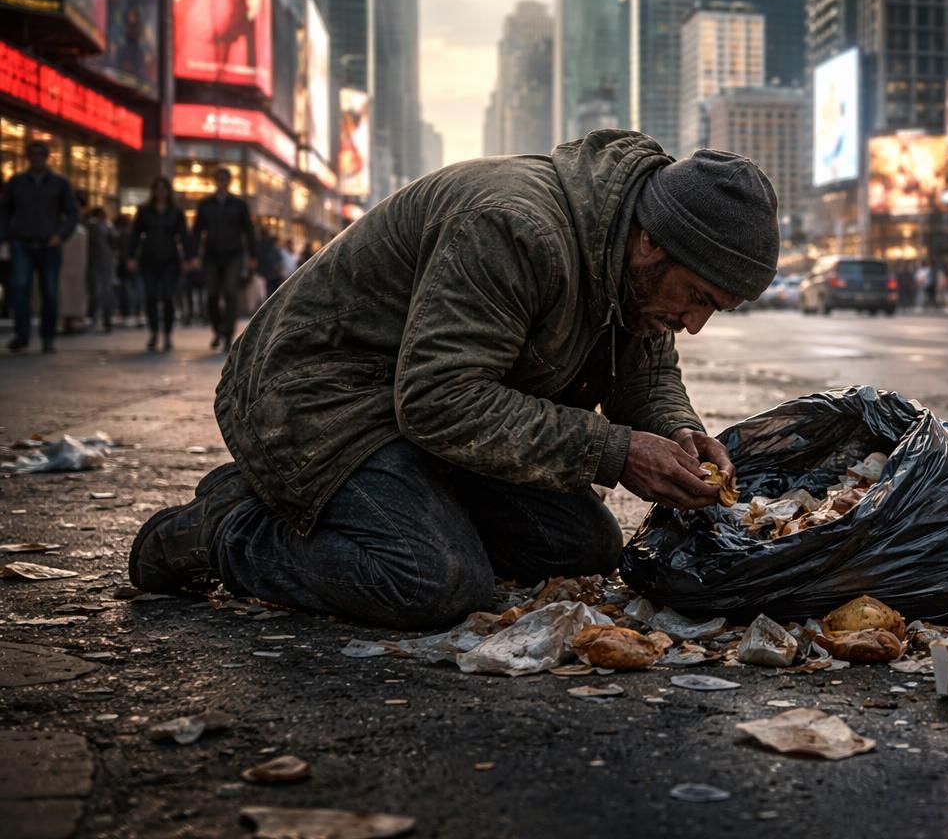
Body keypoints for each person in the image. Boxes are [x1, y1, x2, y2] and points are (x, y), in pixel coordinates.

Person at [129, 131, 780, 629]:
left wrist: (678, 431)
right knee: (430, 580)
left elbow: (648, 375)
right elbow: (440, 400)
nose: (693, 324)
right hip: (322, 397)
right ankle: (223, 529)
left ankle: (388, 506)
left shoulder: (632, 263)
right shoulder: (517, 229)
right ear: (651, 245)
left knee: (582, 544)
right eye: (695, 298)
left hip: (416, 414)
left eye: (712, 309)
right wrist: (616, 450)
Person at [1, 141, 80, 353]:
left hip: (49, 243)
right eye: (32, 155)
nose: (36, 158)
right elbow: (5, 211)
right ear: (28, 157)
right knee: (19, 288)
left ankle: (48, 337)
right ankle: (22, 334)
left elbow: (72, 213)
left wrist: (61, 235)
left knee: (50, 292)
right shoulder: (16, 183)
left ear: (46, 157)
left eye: (40, 155)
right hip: (22, 242)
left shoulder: (59, 183)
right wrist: (7, 236)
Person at [192, 168, 256, 352]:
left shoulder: (238, 204)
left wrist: (252, 256)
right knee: (211, 294)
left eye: (224, 179)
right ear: (215, 181)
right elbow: (197, 231)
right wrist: (193, 255)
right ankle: (217, 328)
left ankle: (228, 334)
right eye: (218, 179)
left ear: (228, 182)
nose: (221, 182)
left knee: (230, 292)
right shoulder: (205, 205)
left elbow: (249, 231)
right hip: (211, 255)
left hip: (233, 255)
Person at [129, 177, 192, 352]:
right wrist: (131, 257)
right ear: (154, 191)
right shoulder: (144, 211)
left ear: (168, 191)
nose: (161, 192)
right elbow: (135, 235)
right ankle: (154, 332)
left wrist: (188, 258)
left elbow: (184, 236)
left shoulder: (176, 212)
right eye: (158, 189)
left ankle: (167, 334)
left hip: (170, 260)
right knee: (150, 297)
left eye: (164, 189)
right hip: (148, 259)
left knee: (167, 297)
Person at [84, 207, 116, 332]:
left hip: (96, 261)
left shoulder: (92, 226)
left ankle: (96, 318)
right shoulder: (106, 227)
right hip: (102, 261)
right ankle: (104, 319)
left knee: (97, 292)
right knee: (103, 291)